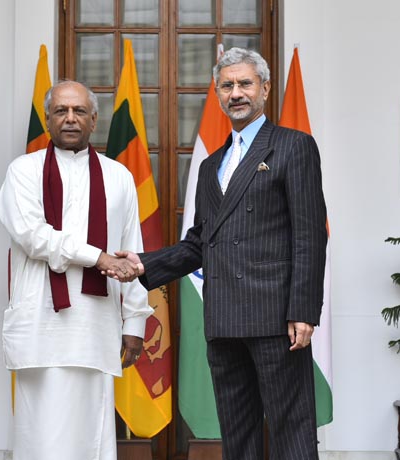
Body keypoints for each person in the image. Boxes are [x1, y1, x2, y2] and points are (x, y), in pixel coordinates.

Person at [111, 48, 328, 459]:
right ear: (218, 93)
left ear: (264, 89)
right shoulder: (212, 165)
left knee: (291, 429)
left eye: (245, 83)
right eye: (227, 86)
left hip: (277, 317)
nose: (236, 93)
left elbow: (309, 235)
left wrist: (303, 310)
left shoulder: (293, 146)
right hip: (224, 316)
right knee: (237, 433)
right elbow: (200, 241)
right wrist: (143, 263)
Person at [0, 80, 152, 460]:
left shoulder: (118, 176)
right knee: (41, 435)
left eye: (79, 111)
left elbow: (132, 254)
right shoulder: (24, 171)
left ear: (94, 119)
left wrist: (134, 323)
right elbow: (34, 237)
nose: (70, 119)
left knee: (91, 434)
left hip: (95, 325)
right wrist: (98, 258)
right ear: (48, 119)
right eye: (61, 111)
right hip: (40, 323)